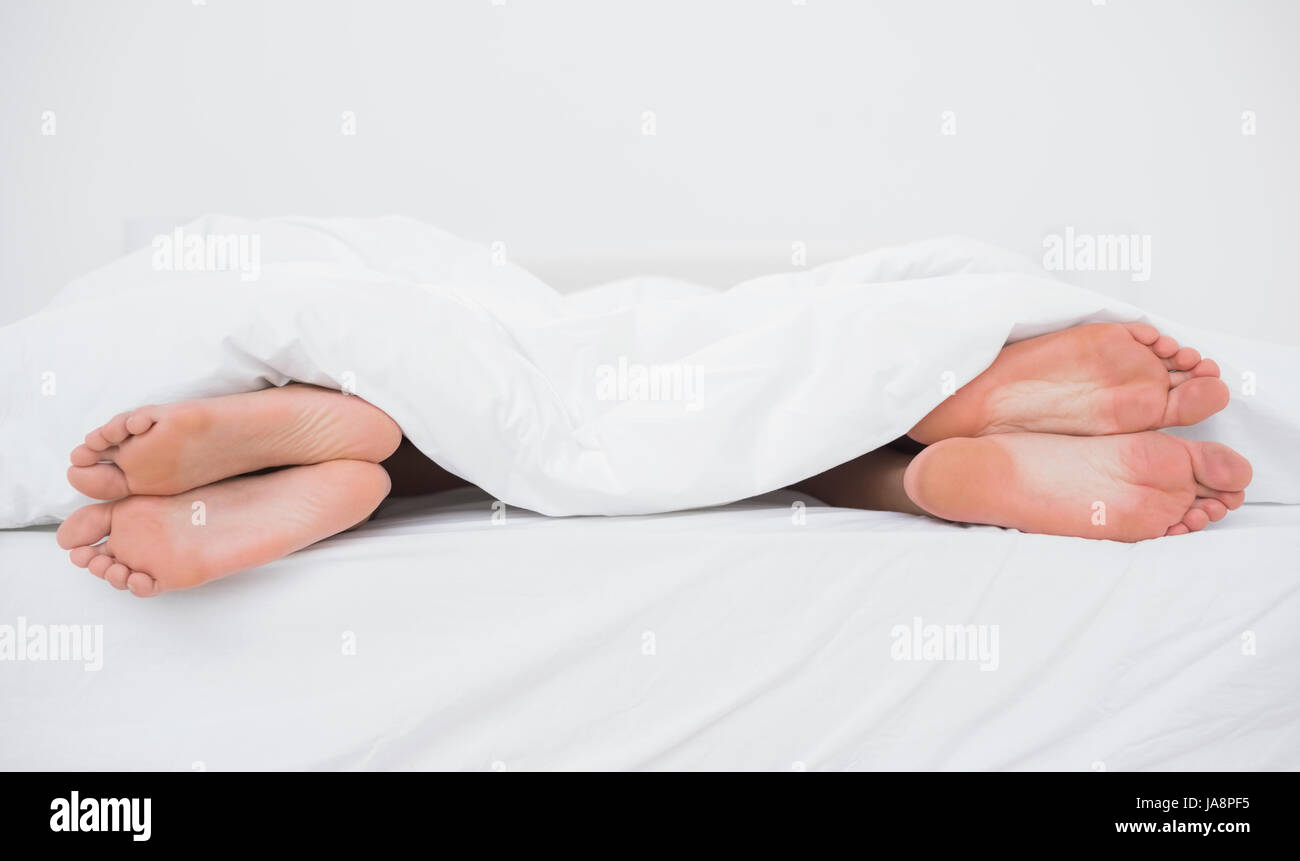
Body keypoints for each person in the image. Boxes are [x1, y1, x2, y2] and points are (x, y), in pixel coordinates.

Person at [55, 321, 1251, 598]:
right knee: (798, 433)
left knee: (463, 411)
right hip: (757, 376)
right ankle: (919, 456)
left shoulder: (414, 280)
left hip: (462, 390)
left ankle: (337, 445)